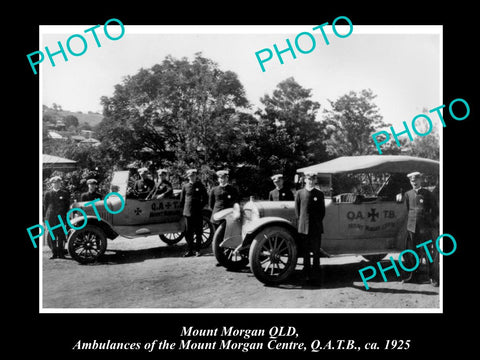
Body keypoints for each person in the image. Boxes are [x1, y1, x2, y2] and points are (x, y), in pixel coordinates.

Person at [402, 171, 438, 285]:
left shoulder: (427, 193)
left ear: (420, 180)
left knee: (428, 253)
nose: (414, 183)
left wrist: (429, 222)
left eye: (416, 180)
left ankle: (433, 277)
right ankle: (413, 276)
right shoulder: (407, 194)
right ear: (410, 182)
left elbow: (435, 210)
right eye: (412, 181)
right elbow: (407, 210)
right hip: (412, 228)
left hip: (425, 228)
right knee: (413, 253)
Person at [295, 172, 326, 283]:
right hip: (303, 228)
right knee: (305, 252)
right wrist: (303, 224)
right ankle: (306, 272)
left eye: (313, 179)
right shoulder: (299, 193)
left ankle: (316, 274)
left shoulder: (319, 194)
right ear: (305, 180)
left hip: (316, 228)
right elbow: (298, 212)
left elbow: (322, 212)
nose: (311, 181)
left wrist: (316, 223)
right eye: (309, 179)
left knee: (316, 251)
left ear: (315, 180)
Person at [180, 169, 208, 257]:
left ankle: (198, 250)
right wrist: (184, 210)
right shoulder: (185, 186)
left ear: (196, 176)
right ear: (188, 177)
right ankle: (190, 250)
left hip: (198, 212)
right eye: (190, 176)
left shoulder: (200, 185)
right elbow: (182, 200)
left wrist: (200, 207)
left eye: (193, 176)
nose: (192, 177)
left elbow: (205, 198)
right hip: (188, 212)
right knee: (189, 232)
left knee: (199, 231)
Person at [43, 176, 70, 259]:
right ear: (52, 184)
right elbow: (45, 206)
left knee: (61, 235)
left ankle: (61, 253)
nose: (56, 184)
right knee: (52, 235)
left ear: (60, 184)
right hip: (51, 217)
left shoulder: (64, 193)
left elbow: (67, 206)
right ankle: (54, 253)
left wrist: (66, 217)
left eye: (58, 183)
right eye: (54, 183)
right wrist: (44, 218)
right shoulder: (47, 194)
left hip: (61, 217)